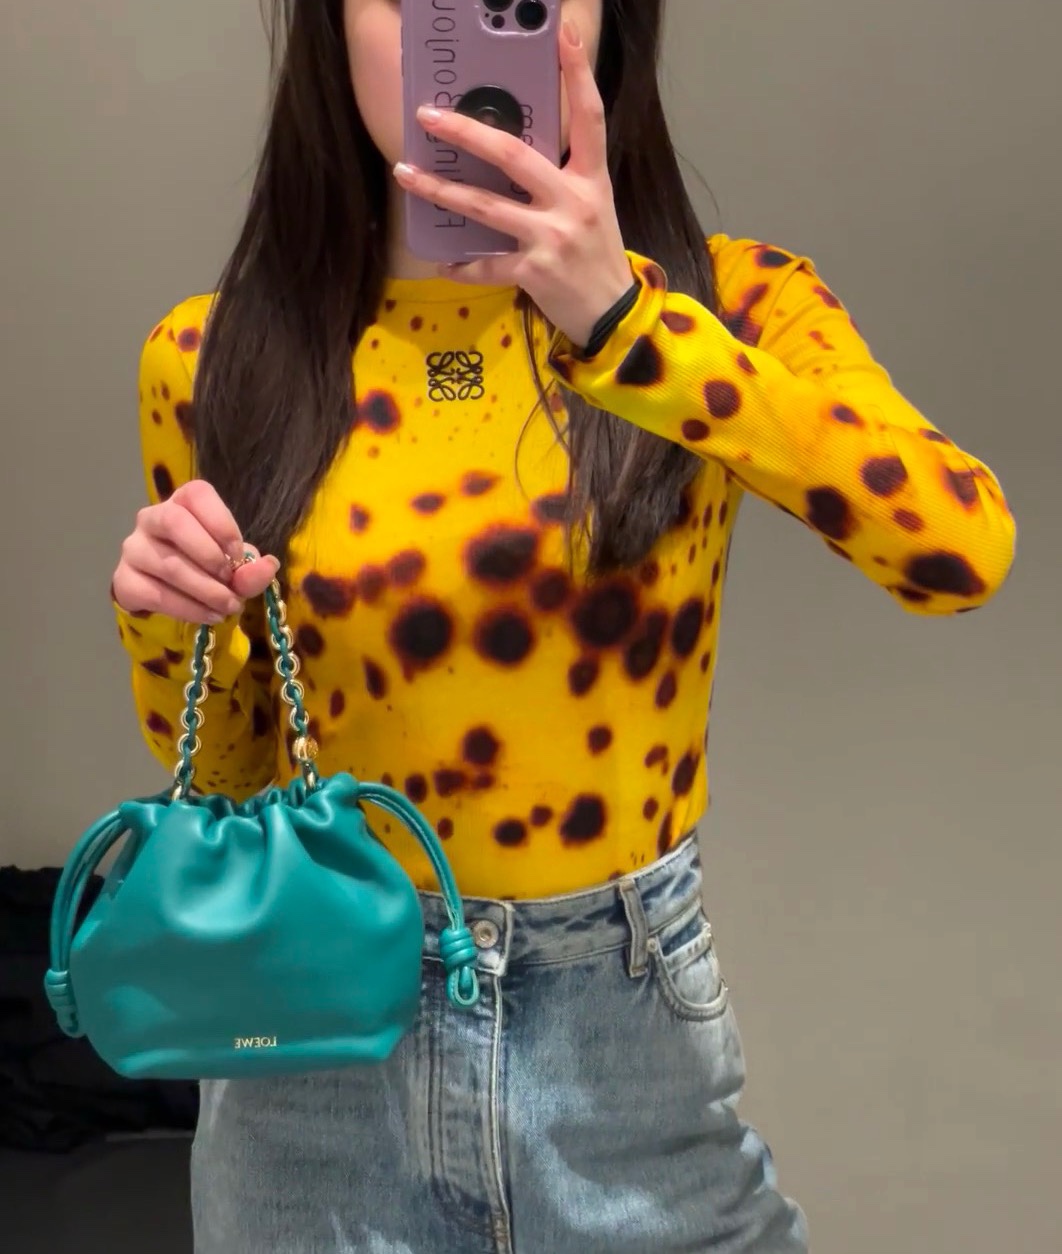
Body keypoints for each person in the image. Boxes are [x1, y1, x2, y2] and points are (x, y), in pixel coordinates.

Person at [109, 2, 1016, 1250]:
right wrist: (167, 617)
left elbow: (960, 548)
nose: (459, 32)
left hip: (620, 1040)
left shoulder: (733, 305)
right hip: (315, 1055)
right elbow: (221, 781)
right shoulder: (215, 355)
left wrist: (629, 326)